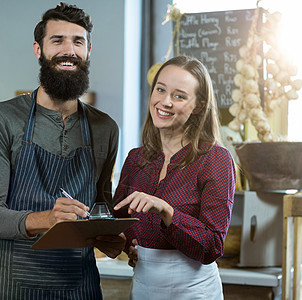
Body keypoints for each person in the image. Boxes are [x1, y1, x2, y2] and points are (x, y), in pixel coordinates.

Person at [0, 3, 124, 299]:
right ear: (38, 49)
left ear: (88, 51)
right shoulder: (1, 119)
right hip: (15, 284)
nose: (68, 50)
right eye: (58, 40)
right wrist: (48, 219)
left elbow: (101, 207)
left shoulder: (105, 128)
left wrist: (111, 237)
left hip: (81, 285)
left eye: (77, 41)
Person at [113, 55, 237, 299]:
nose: (165, 102)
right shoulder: (136, 158)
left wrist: (167, 212)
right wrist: (128, 245)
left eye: (179, 96)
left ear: (198, 106)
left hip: (194, 290)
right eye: (160, 90)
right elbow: (118, 220)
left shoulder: (216, 159)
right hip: (143, 287)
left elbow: (212, 246)